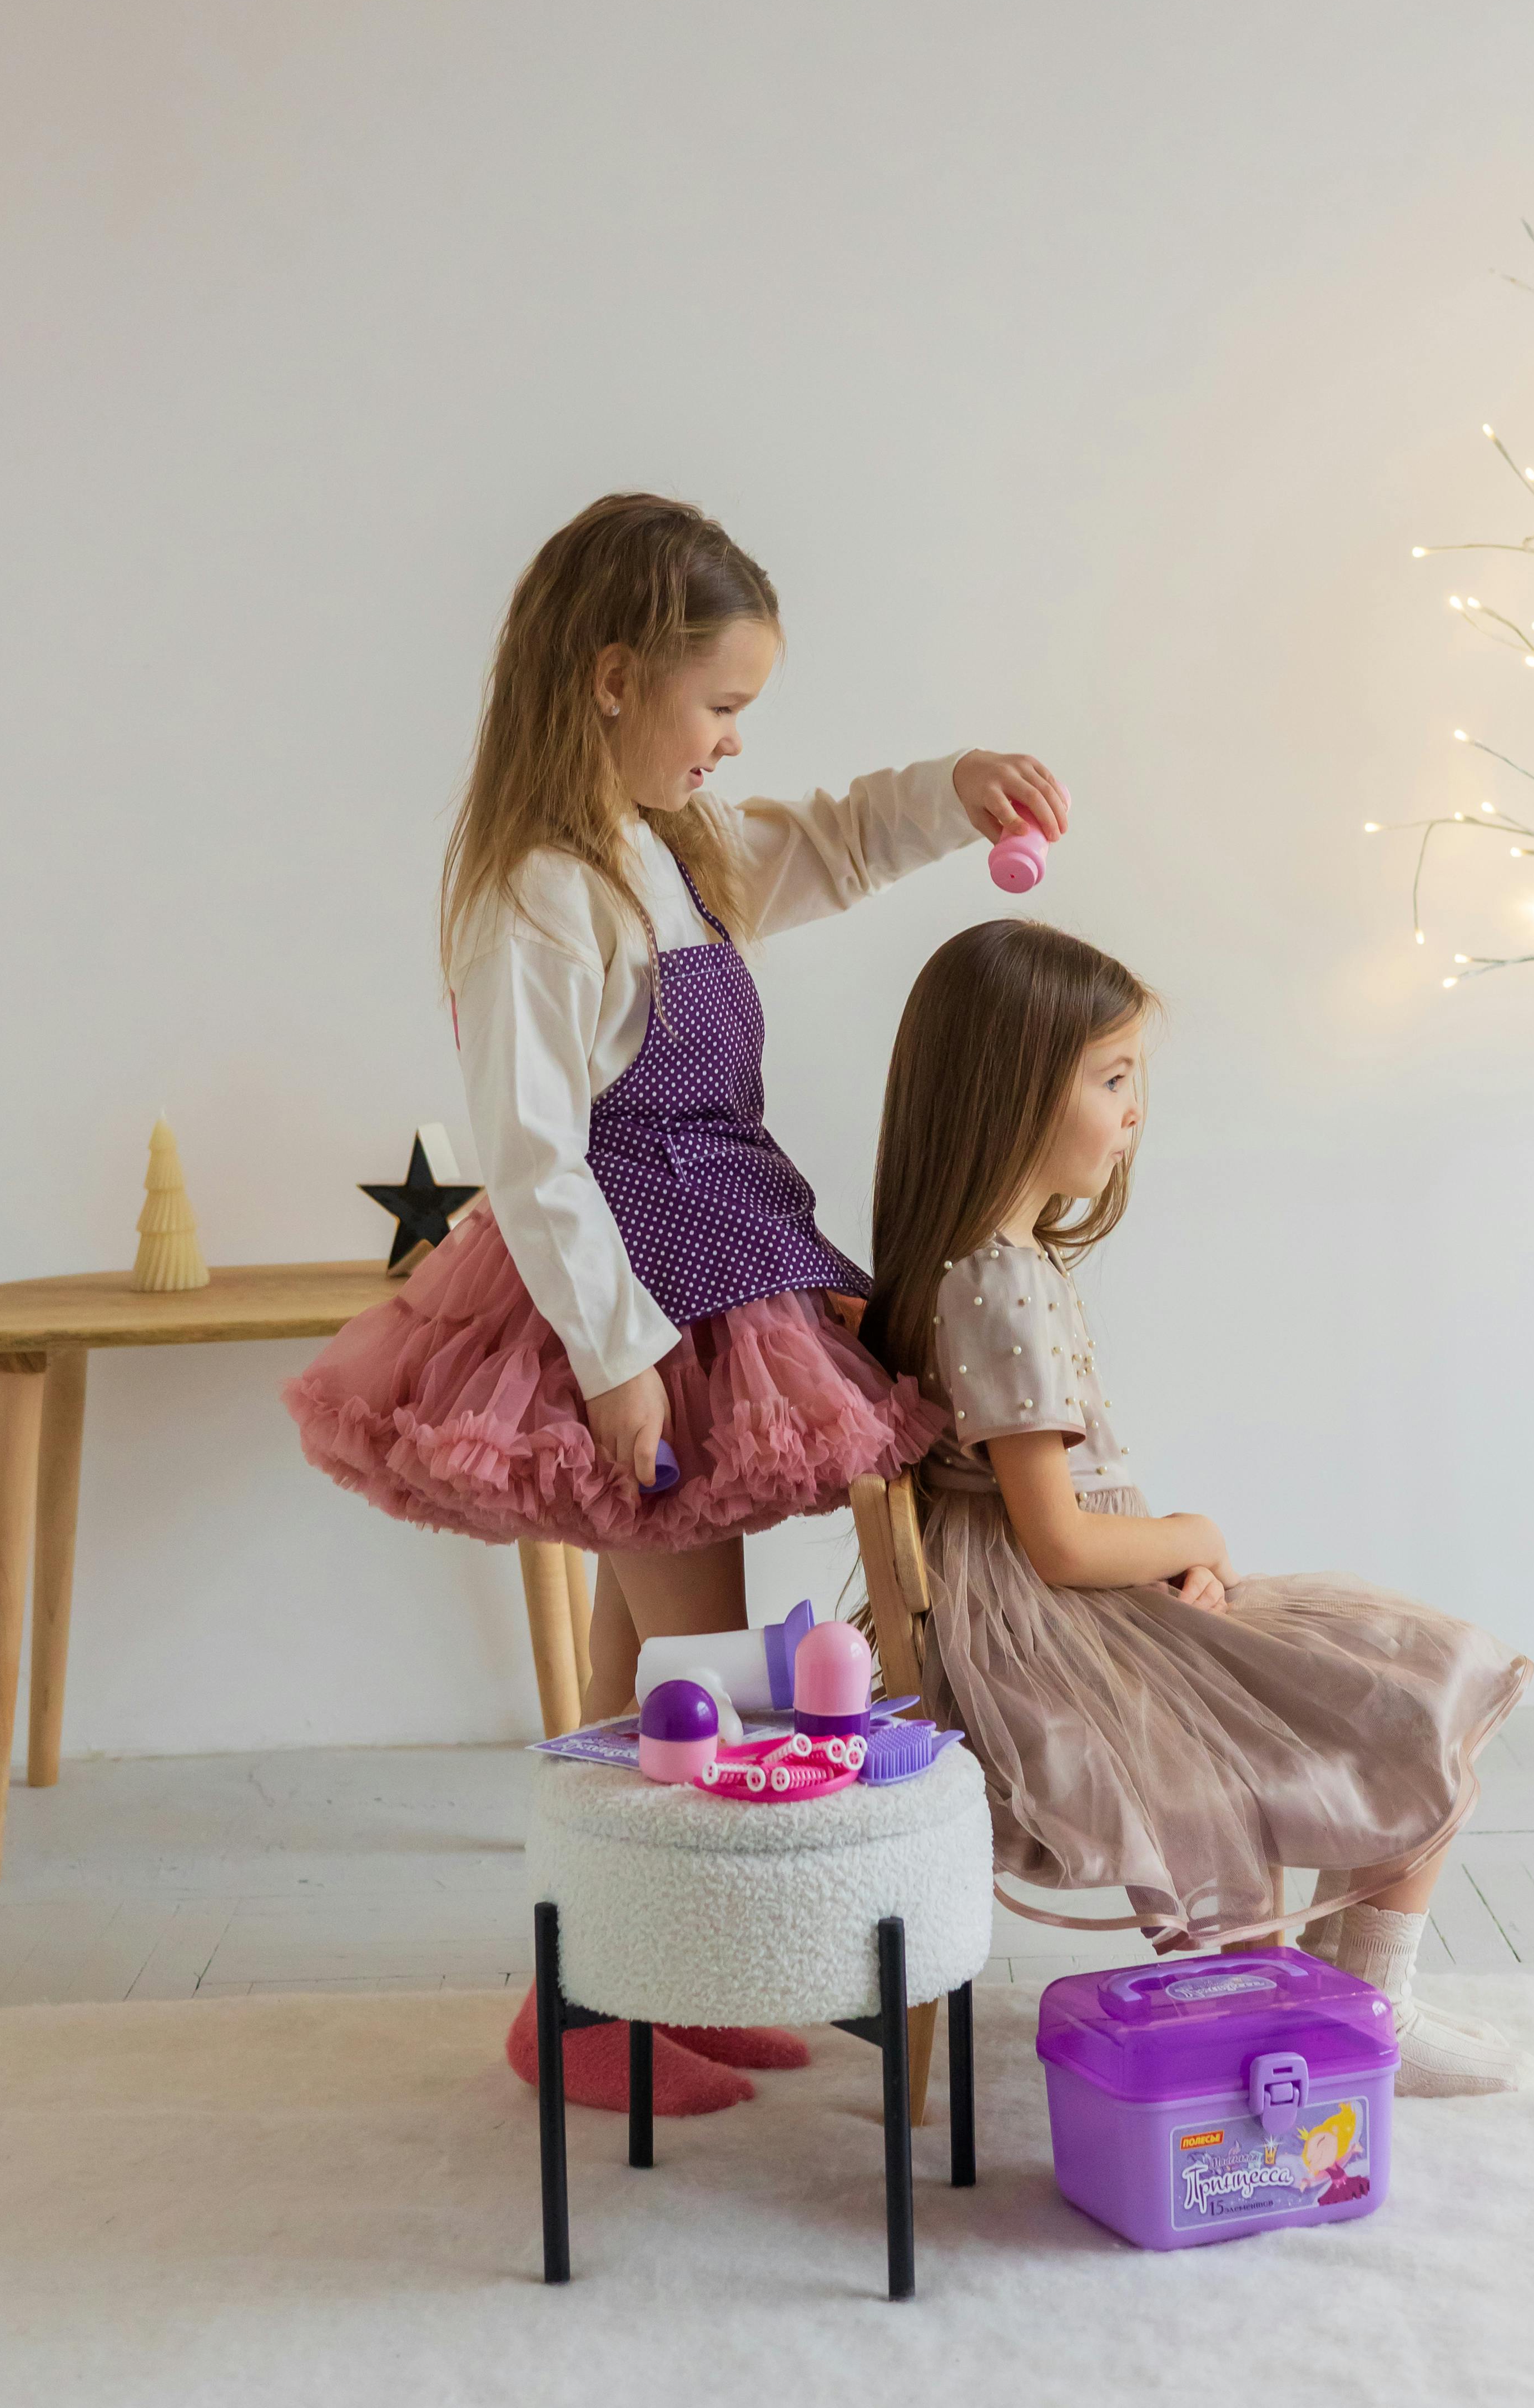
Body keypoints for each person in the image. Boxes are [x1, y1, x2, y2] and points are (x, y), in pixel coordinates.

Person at [285, 493, 1067, 2111]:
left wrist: (955, 791)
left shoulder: (665, 845)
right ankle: (595, 1998)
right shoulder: (536, 891)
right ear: (609, 680)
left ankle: (615, 1985)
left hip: (709, 1263)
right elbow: (530, 1153)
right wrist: (618, 1359)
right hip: (624, 1297)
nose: (731, 741)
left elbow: (829, 841)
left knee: (634, 1656)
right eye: (719, 704)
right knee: (690, 1664)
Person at [860, 917, 1534, 2099]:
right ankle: (1369, 2011)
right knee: (1409, 1682)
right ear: (1013, 1088)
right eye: (1112, 1079)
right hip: (1053, 1634)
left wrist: (1164, 1567)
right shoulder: (998, 1282)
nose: (1134, 1112)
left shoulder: (974, 1265)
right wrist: (1195, 1536)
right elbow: (1058, 1541)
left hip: (1069, 1610)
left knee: (1389, 1676)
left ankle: (1357, 2013)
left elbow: (1054, 1527)